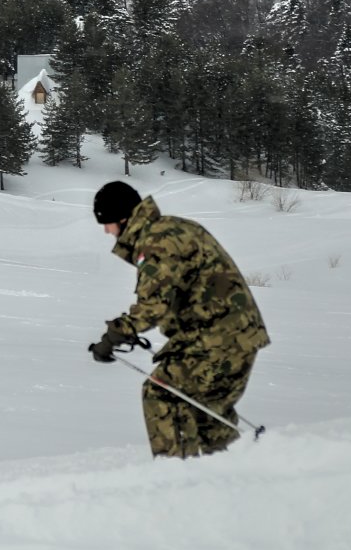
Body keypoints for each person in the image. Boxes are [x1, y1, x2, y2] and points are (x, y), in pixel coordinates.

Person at [87, 181, 269, 458]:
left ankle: (177, 480)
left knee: (163, 394)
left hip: (217, 340)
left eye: (107, 222)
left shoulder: (158, 240)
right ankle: (238, 475)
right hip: (231, 336)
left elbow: (153, 305)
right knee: (207, 415)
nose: (106, 230)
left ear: (123, 217)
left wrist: (113, 337)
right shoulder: (169, 229)